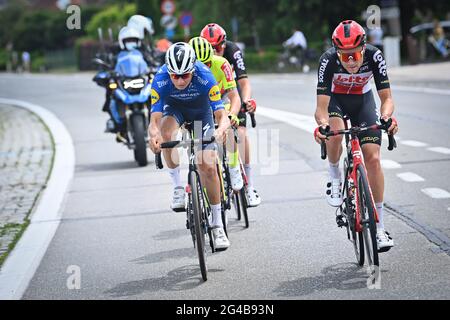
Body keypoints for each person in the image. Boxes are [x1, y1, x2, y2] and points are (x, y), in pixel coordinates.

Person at [314, 20, 398, 252]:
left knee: (373, 158)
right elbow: (321, 107)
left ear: (363, 49)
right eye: (344, 55)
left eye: (354, 55)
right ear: (337, 52)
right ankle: (334, 175)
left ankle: (379, 228)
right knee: (334, 134)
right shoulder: (327, 60)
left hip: (363, 102)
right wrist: (322, 125)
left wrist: (387, 117)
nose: (350, 60)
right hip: (336, 102)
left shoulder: (375, 56)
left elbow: (386, 98)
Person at [148, 43, 231, 250]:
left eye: (184, 75)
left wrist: (221, 129)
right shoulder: (160, 78)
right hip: (175, 110)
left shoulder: (205, 76)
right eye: (174, 76)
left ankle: (217, 224)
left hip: (201, 113)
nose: (179, 80)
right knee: (167, 134)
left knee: (208, 166)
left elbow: (221, 114)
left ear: (193, 69)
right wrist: (154, 135)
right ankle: (177, 187)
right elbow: (154, 120)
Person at [200, 23, 261, 207]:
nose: (215, 51)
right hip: (209, 98)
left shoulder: (233, 51)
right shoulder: (200, 56)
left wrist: (247, 101)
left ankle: (249, 186)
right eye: (210, 48)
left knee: (241, 134)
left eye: (218, 47)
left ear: (224, 45)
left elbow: (243, 82)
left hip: (228, 93)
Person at [189, 36, 244, 192]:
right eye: (199, 65)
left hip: (221, 101)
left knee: (228, 126)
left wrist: (232, 115)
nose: (204, 68)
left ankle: (234, 170)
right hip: (199, 107)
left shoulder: (222, 64)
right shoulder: (185, 72)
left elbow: (234, 96)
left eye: (207, 63)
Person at [104, 26, 148, 134]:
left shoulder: (143, 50)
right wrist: (108, 70)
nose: (131, 43)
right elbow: (109, 64)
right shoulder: (115, 52)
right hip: (123, 79)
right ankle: (113, 120)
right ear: (122, 41)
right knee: (111, 90)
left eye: (133, 40)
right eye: (128, 41)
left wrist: (154, 66)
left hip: (140, 78)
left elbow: (152, 60)